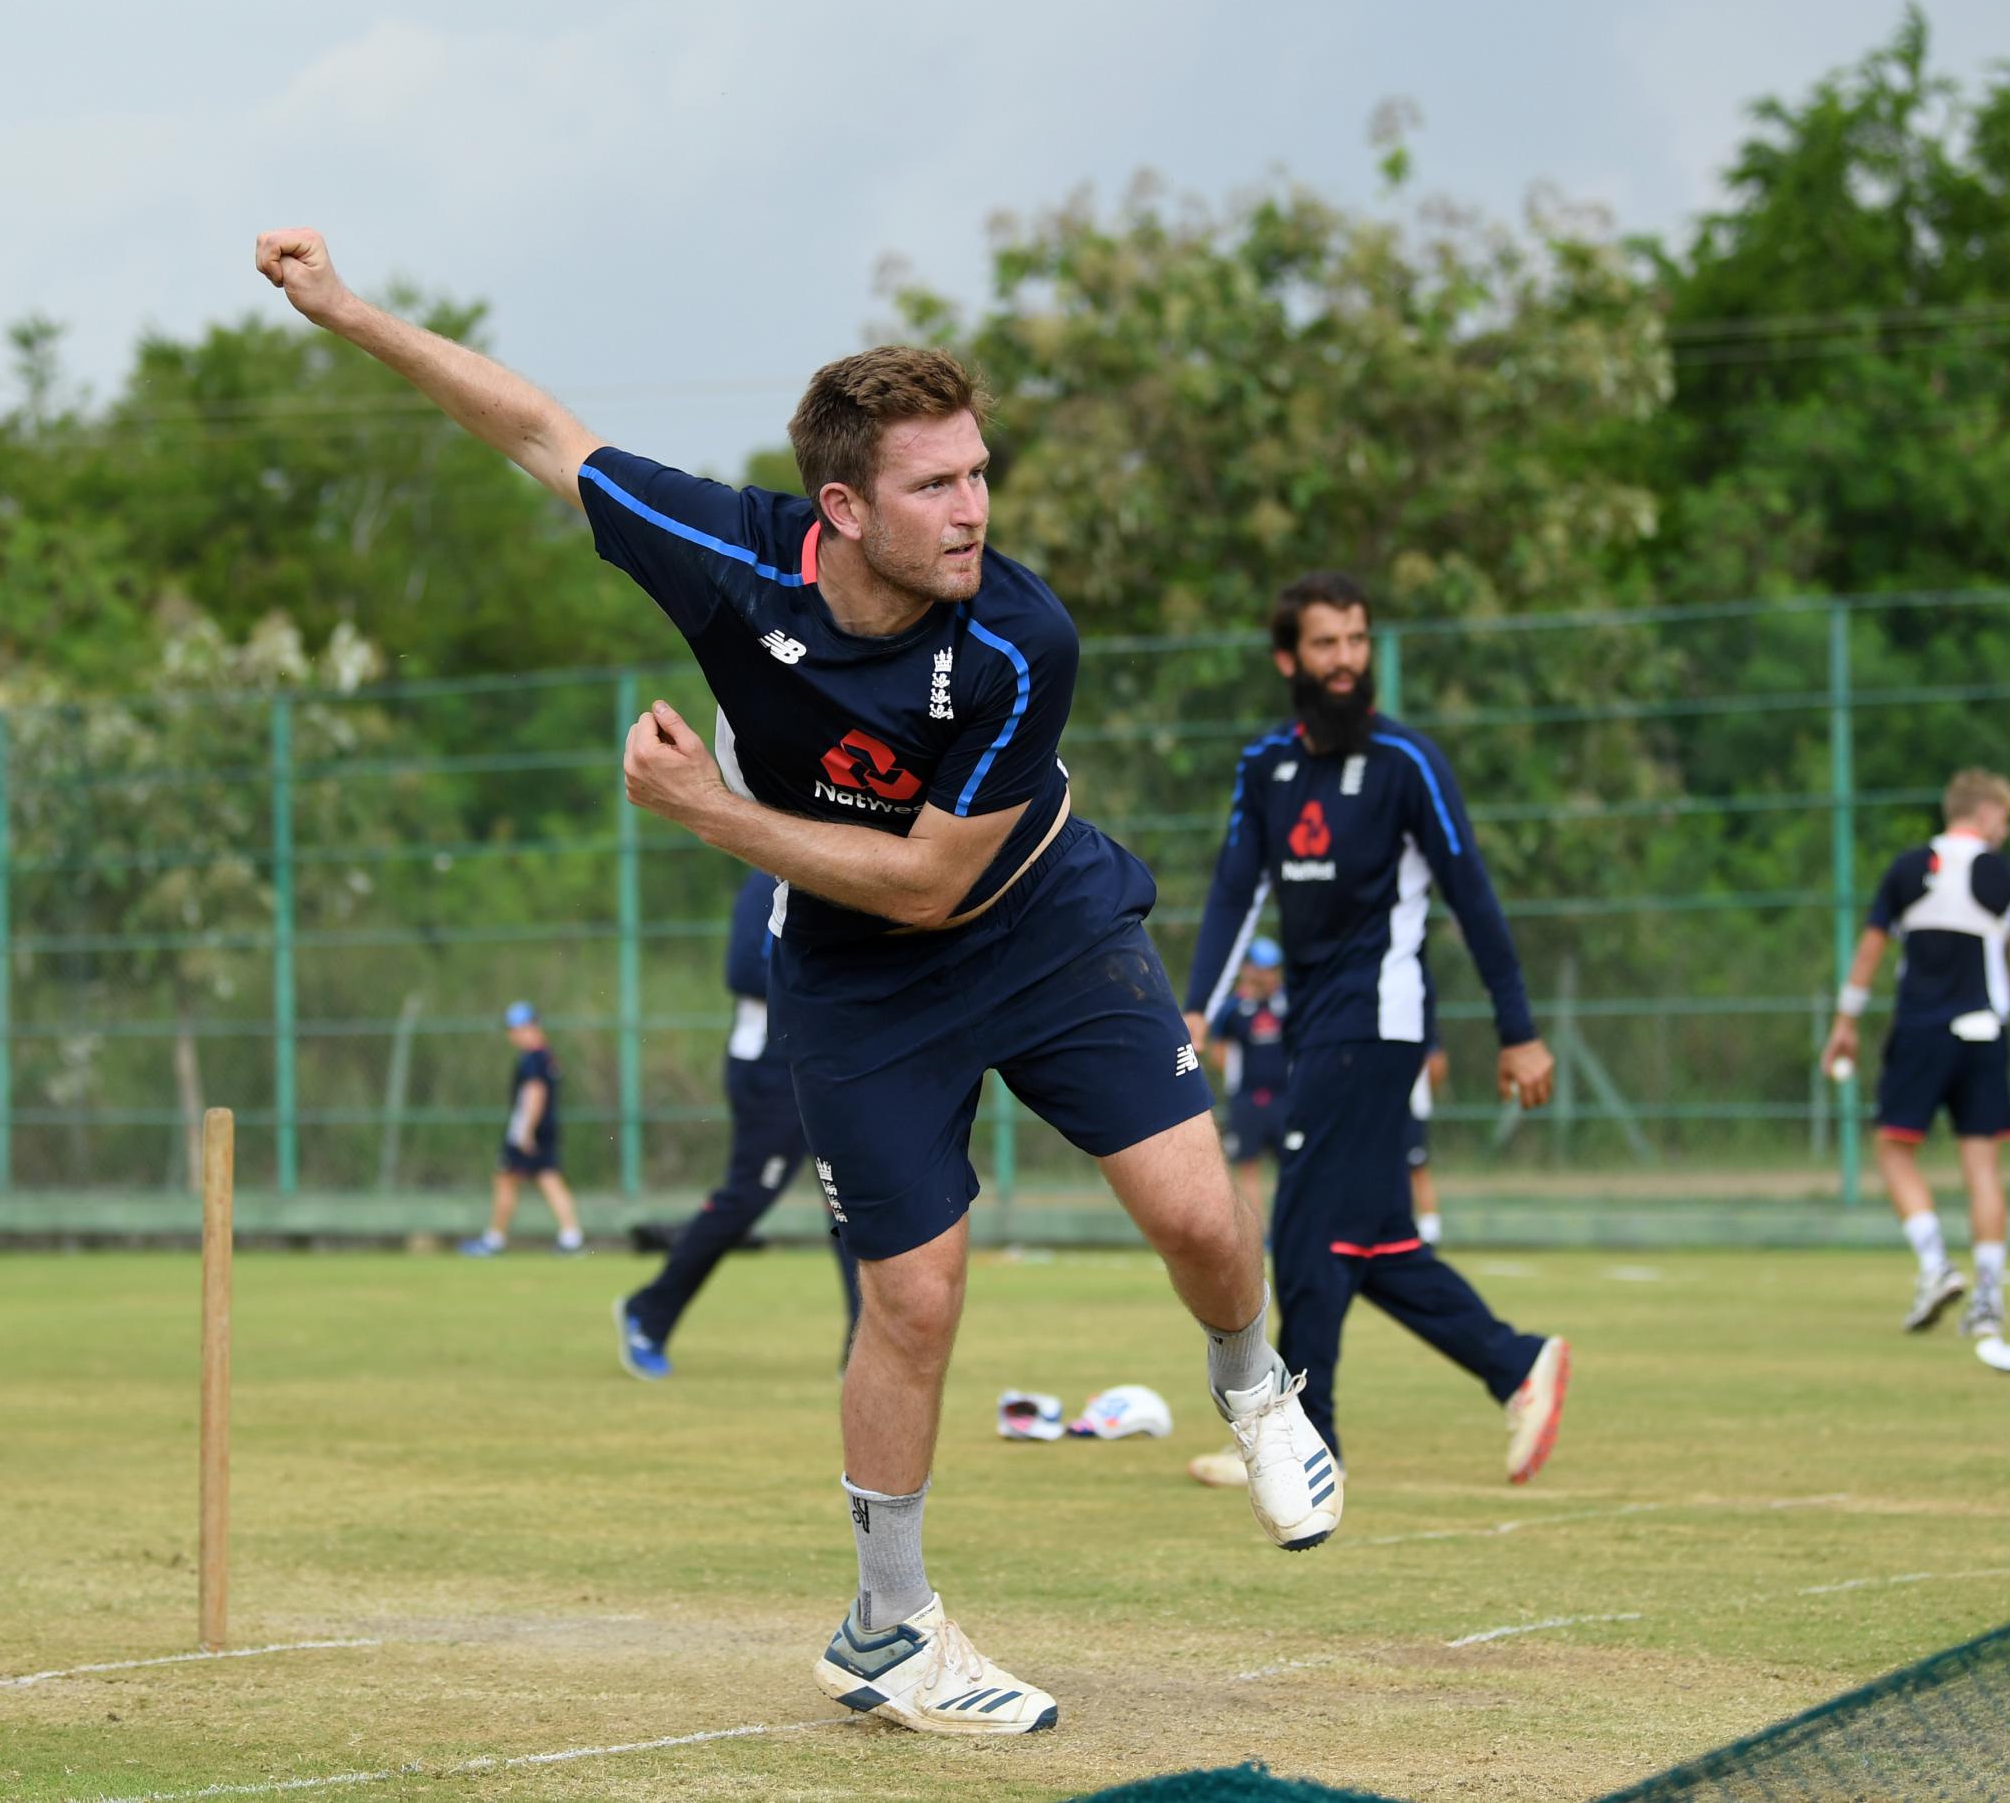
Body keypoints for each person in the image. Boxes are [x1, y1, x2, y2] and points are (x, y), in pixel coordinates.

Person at [255, 228, 1335, 1739]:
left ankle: (1257, 1388)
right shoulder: (725, 553)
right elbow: (533, 428)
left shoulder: (1021, 639)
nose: (973, 512)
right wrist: (345, 309)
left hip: (1037, 922)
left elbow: (935, 879)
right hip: (853, 977)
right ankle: (889, 1631)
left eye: (977, 475)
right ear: (841, 507)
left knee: (1201, 1218)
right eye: (934, 486)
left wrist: (712, 815)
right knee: (914, 1301)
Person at [1180, 571, 1569, 1491]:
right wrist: (1197, 1006)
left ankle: (1305, 1443)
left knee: (1311, 1229)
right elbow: (1237, 892)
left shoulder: (1408, 763)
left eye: (1358, 640)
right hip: (1318, 1025)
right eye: (1327, 643)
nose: (1347, 660)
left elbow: (1472, 897)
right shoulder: (1265, 766)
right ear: (1290, 659)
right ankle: (1515, 1363)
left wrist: (1520, 1031)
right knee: (1375, 1239)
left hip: (1381, 1020)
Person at [614, 870, 861, 1377]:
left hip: (829, 1062)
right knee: (748, 1196)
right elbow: (743, 971)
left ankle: (865, 1345)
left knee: (852, 1202)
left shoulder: (845, 870)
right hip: (768, 1069)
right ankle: (648, 1312)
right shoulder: (768, 877)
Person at [1820, 769, 2010, 1337]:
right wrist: (1995, 1007)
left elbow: (1869, 954)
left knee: (1893, 1148)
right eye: (2005, 818)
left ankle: (1936, 1263)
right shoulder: (2006, 876)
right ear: (1984, 812)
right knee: (1982, 1164)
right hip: (1985, 1032)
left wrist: (1846, 1022)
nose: (2005, 830)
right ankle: (1988, 1300)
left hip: (1921, 1032)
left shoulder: (1907, 868)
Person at [459, 1002, 585, 1256]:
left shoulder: (531, 1059)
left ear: (532, 1027)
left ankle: (494, 1239)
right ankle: (571, 1237)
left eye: (518, 1028)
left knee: (505, 1179)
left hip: (529, 1128)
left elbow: (534, 1094)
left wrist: (525, 1131)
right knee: (549, 1179)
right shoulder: (547, 1056)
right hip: (547, 1127)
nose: (513, 1034)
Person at [1207, 938, 1291, 1225]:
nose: (1265, 975)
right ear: (1247, 968)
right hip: (1246, 1099)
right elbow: (1218, 1051)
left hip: (1286, 1098)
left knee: (1291, 1165)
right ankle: (1258, 1230)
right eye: (1259, 968)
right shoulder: (1232, 1009)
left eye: (1271, 969)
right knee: (1248, 1165)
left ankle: (1285, 1227)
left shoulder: (1288, 1004)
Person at [1407, 1028, 1450, 1248]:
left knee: (1417, 1167)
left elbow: (1437, 1063)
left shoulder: (1419, 1011)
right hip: (1376, 1106)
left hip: (1410, 1107)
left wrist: (1421, 1094)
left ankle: (1429, 1234)